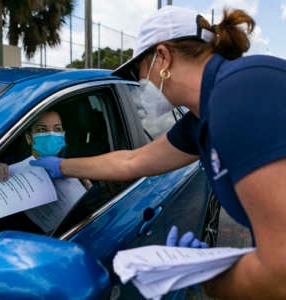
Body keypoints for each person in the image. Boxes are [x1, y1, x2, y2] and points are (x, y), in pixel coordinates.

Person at [29, 5, 286, 299]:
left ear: (163, 57)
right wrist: (60, 167)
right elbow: (131, 161)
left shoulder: (241, 91)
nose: (140, 84)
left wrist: (204, 276)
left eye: (139, 72)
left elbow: (280, 272)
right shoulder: (201, 120)